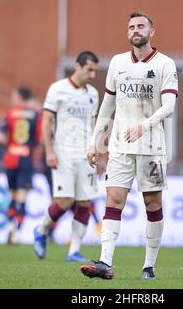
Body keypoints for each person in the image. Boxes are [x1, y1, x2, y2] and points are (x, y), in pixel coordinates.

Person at [79, 12, 178, 280]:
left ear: (151, 31)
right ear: (127, 33)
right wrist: (95, 142)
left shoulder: (165, 65)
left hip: (152, 146)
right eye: (131, 27)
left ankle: (149, 265)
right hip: (121, 146)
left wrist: (144, 125)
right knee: (114, 199)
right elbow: (107, 106)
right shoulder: (117, 63)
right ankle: (105, 263)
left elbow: (169, 106)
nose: (136, 30)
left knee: (152, 203)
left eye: (141, 26)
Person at [33, 51, 104, 262]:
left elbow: (93, 125)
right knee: (64, 201)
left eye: (94, 71)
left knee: (85, 203)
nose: (92, 75)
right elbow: (47, 121)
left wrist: (97, 152)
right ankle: (41, 229)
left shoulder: (92, 93)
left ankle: (73, 251)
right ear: (77, 66)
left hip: (86, 155)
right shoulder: (57, 89)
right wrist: (50, 150)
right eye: (89, 69)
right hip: (63, 153)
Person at [0, 85, 43, 244]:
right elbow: (40, 138)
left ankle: (9, 226)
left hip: (10, 158)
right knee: (22, 197)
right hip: (26, 159)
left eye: (14, 95)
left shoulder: (9, 113)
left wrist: (10, 142)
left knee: (12, 195)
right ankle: (18, 233)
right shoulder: (35, 115)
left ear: (20, 97)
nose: (12, 98)